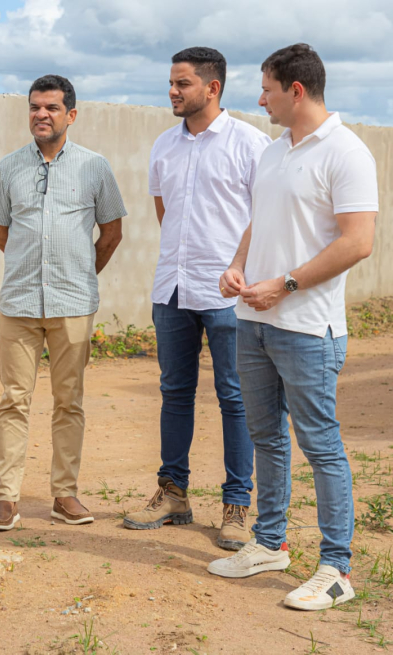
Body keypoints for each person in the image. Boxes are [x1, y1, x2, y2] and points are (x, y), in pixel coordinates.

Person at [209, 44, 378, 610]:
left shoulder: (347, 152)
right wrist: (237, 266)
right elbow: (261, 221)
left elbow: (358, 242)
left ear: (296, 90)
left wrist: (284, 284)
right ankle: (269, 543)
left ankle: (336, 570)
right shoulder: (275, 150)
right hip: (253, 322)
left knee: (320, 445)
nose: (260, 99)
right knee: (266, 437)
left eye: (267, 89)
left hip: (308, 326)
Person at [123, 48, 270, 550]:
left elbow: (263, 216)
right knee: (174, 393)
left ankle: (236, 503)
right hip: (173, 289)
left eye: (182, 83)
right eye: (171, 82)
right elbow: (167, 212)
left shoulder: (251, 143)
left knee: (236, 397)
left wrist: (237, 269)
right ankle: (173, 492)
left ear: (212, 88)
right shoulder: (164, 145)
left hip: (230, 292)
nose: (172, 91)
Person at [0, 75, 126, 531]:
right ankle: (6, 498)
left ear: (71, 115)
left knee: (69, 401)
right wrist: (35, 268)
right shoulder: (8, 168)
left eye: (50, 108)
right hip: (20, 303)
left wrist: (78, 272)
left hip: (73, 304)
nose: (41, 115)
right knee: (14, 400)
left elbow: (112, 232)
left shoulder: (95, 167)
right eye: (34, 107)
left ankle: (65, 494)